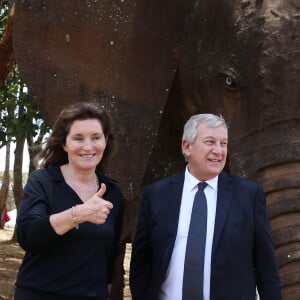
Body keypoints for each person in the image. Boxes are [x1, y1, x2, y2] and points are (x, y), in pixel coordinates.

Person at [130, 113, 282, 300]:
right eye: (210, 142)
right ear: (187, 146)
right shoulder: (156, 195)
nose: (218, 151)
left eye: (223, 143)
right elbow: (141, 263)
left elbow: (266, 267)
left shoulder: (248, 195)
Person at [15, 102, 124, 300]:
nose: (88, 146)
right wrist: (79, 214)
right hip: (40, 294)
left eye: (96, 137)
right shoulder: (43, 181)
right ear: (64, 143)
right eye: (78, 138)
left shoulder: (113, 193)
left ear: (106, 141)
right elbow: (27, 235)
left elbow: (109, 255)